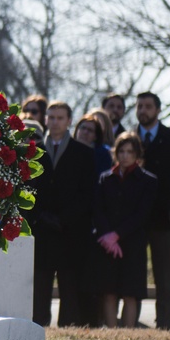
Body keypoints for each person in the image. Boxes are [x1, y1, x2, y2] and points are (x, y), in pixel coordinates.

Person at [31, 101, 97, 327]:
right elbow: (29, 189)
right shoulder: (33, 151)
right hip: (42, 230)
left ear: (69, 121)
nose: (55, 122)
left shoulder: (84, 153)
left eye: (60, 118)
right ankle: (38, 328)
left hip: (71, 231)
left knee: (70, 287)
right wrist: (41, 216)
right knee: (40, 287)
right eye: (51, 117)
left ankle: (69, 329)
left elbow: (87, 194)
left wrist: (65, 218)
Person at [92, 133, 157, 328]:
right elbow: (98, 209)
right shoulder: (106, 178)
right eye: (121, 151)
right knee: (109, 292)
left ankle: (128, 334)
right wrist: (107, 236)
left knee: (130, 293)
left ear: (137, 154)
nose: (125, 155)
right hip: (108, 245)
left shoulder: (148, 180)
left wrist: (117, 234)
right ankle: (113, 334)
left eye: (130, 151)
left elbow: (142, 213)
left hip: (133, 243)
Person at [134, 91, 170, 330]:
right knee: (132, 272)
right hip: (133, 219)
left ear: (158, 110)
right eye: (139, 106)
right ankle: (131, 323)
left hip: (163, 219)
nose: (143, 110)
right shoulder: (128, 139)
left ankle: (164, 324)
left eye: (148, 106)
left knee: (164, 275)